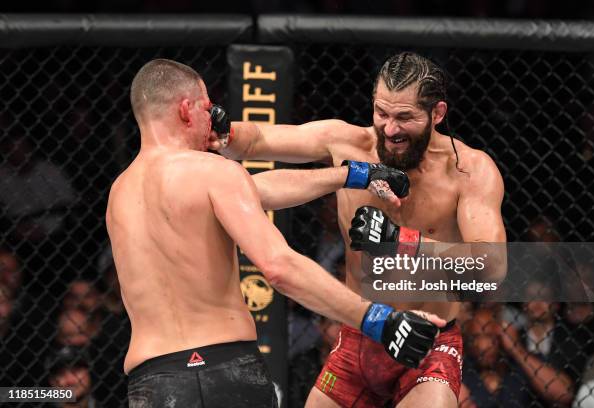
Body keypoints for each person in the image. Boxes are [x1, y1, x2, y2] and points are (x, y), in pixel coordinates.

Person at [106, 59, 445, 408]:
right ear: (186, 110)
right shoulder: (212, 172)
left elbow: (251, 189)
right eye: (209, 109)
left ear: (437, 114)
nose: (215, 121)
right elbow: (278, 267)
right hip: (223, 372)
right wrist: (380, 320)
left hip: (151, 383)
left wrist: (350, 175)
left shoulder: (120, 193)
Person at [211, 52, 507, 407]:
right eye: (382, 113)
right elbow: (255, 140)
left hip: (429, 342)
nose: (390, 129)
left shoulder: (469, 170)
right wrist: (223, 128)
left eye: (404, 117)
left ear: (437, 114)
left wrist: (402, 240)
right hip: (360, 334)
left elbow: (492, 267)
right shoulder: (347, 144)